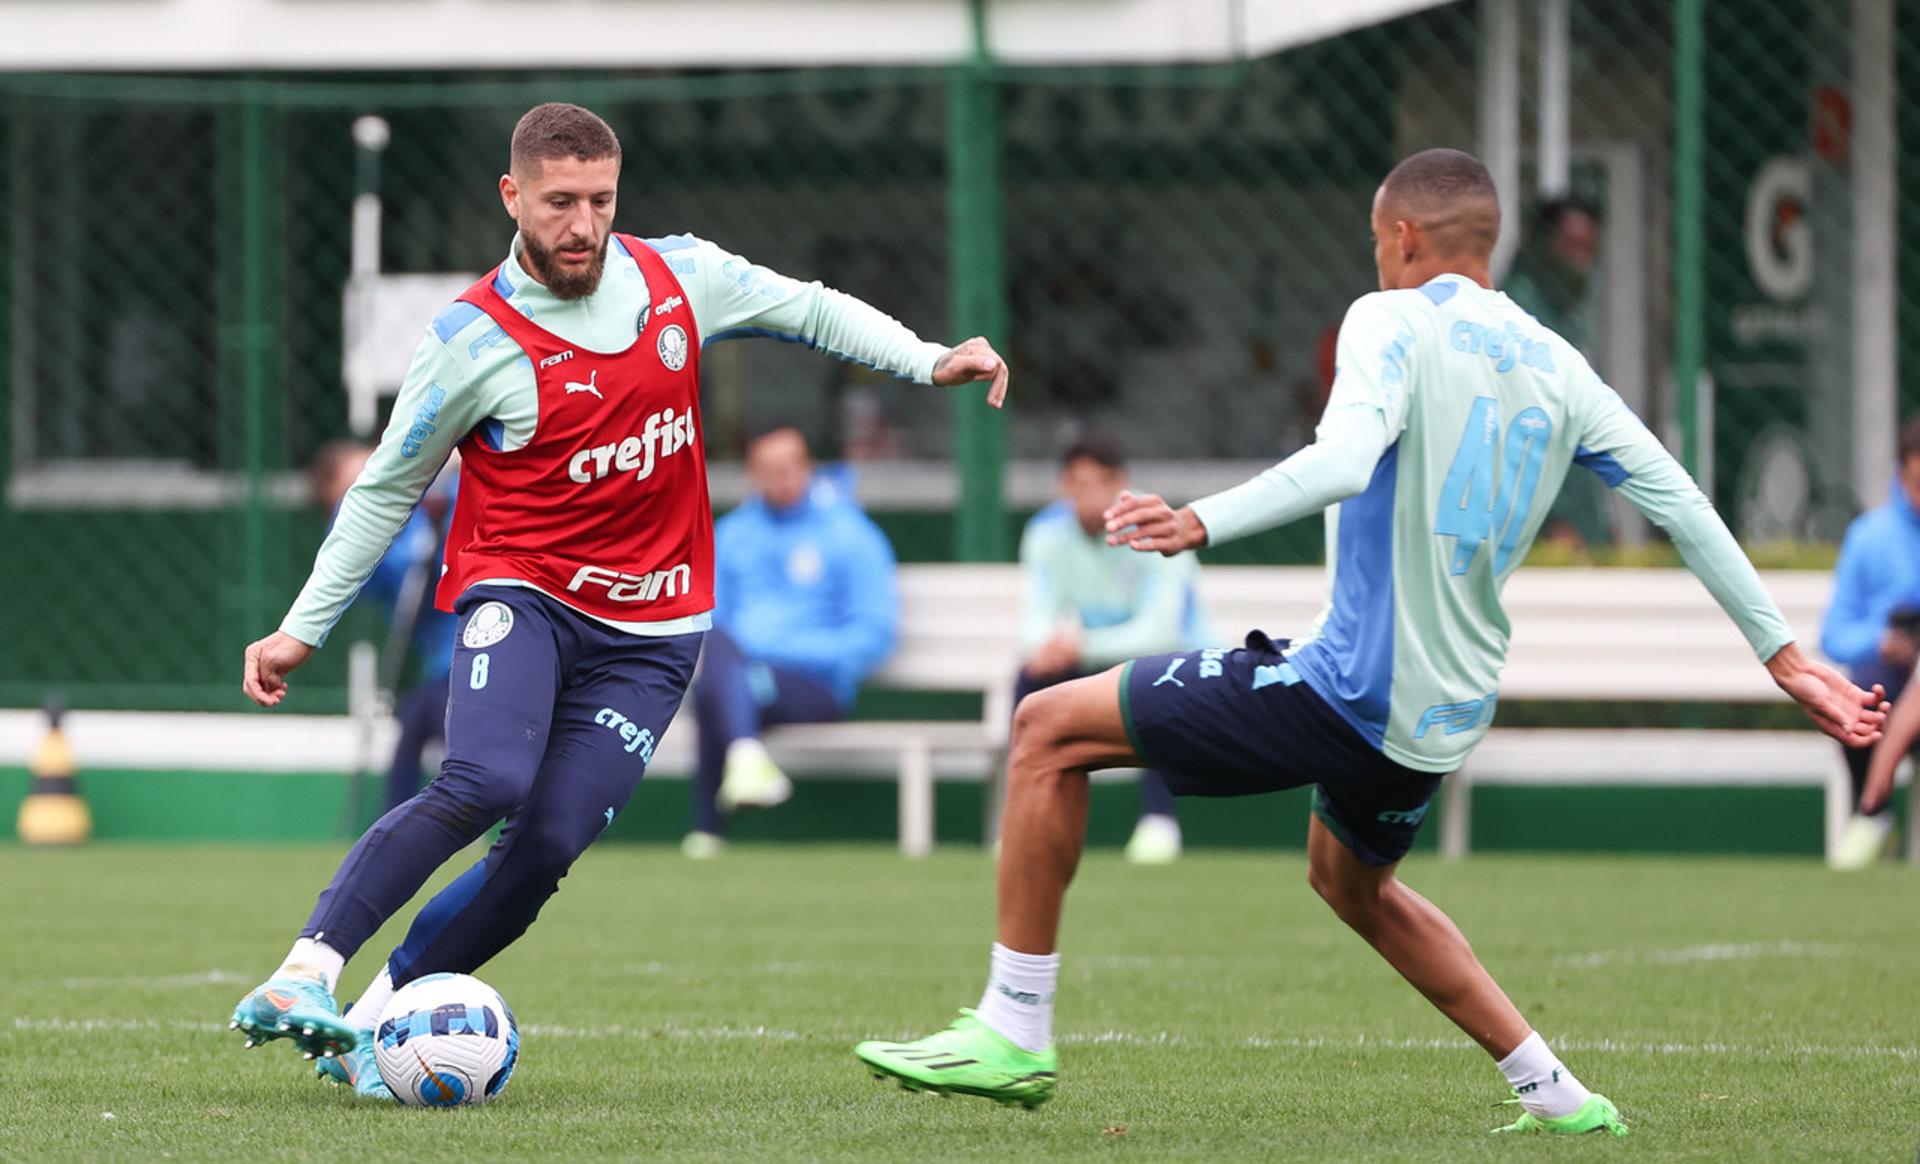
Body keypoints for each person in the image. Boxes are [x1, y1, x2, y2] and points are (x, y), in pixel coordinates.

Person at [853, 148, 1885, 1135]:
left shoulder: (1388, 318)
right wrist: (1783, 657)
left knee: (1046, 728)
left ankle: (1013, 1027)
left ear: (1400, 237)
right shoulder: (1561, 364)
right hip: (1446, 711)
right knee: (1351, 881)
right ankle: (1558, 1095)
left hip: (1352, 689)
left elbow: (1343, 460)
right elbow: (1683, 502)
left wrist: (1201, 519)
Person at [227, 102, 1009, 1101]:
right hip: (525, 593)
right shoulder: (473, 340)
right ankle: (306, 972)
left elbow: (807, 306)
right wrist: (302, 628)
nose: (582, 223)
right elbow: (387, 486)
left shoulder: (679, 275)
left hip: (654, 631)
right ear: (512, 197)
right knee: (484, 780)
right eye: (559, 202)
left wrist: (926, 357)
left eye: (600, 199)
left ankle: (380, 1019)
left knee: (545, 844)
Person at [682, 422, 899, 858]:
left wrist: (771, 650)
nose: (782, 478)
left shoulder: (851, 534)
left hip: (817, 684)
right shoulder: (733, 534)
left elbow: (874, 633)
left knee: (723, 681)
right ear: (752, 473)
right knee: (726, 669)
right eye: (770, 469)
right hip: (743, 677)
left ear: (809, 467)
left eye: (791, 467)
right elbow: (712, 617)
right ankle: (745, 762)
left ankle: (708, 829)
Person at [1017, 432, 1204, 864]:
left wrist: (1080, 645)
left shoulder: (1157, 525)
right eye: (1076, 483)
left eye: (1099, 482)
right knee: (1031, 679)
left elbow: (1163, 633)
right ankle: (1030, 821)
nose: (1088, 496)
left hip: (1178, 666)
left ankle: (1159, 824)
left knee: (1158, 679)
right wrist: (1050, 648)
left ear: (1120, 482)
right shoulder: (1046, 534)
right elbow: (1034, 617)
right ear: (1062, 485)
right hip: (1093, 661)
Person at [310, 440, 459, 814]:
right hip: (449, 655)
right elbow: (414, 567)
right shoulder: (358, 530)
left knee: (423, 722)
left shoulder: (433, 493)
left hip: (468, 646)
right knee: (423, 725)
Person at [1822, 417, 1920, 867]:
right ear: (1902, 474)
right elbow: (1834, 635)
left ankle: (1871, 809)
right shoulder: (1870, 537)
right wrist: (1883, 641)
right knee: (1865, 691)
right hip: (1893, 686)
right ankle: (1874, 812)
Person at [1503, 193, 1613, 553]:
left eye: (1589, 249)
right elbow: (1519, 428)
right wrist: (1556, 520)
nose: (1582, 260)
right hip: (1540, 527)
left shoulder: (1566, 314)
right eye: (1571, 245)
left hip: (1580, 511)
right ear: (1542, 245)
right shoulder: (1521, 315)